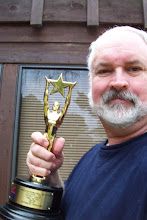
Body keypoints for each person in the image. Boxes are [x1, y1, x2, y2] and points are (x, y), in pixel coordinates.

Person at [26, 26, 147, 220]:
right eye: (104, 70)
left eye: (134, 69)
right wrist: (49, 178)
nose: (117, 82)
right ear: (91, 85)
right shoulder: (91, 157)